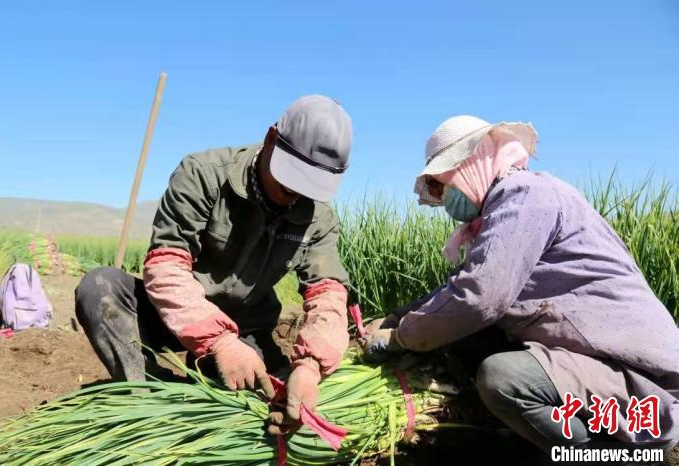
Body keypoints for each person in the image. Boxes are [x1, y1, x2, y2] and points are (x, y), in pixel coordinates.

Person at [361, 115, 679, 451]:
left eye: (444, 184)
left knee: (503, 378)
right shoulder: (504, 209)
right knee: (471, 337)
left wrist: (399, 337)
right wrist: (397, 315)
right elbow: (459, 289)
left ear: (471, 165)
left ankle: (606, 455)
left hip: (643, 381)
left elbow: (478, 297)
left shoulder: (526, 195)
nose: (445, 197)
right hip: (596, 361)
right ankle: (524, 436)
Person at [76, 95, 353, 435]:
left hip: (247, 328)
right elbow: (166, 266)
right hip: (171, 313)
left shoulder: (317, 218)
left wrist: (311, 365)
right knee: (99, 289)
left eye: (310, 183)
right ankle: (150, 398)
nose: (296, 190)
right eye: (292, 175)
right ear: (271, 139)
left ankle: (208, 387)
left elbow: (328, 294)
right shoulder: (203, 174)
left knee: (265, 407)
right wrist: (219, 342)